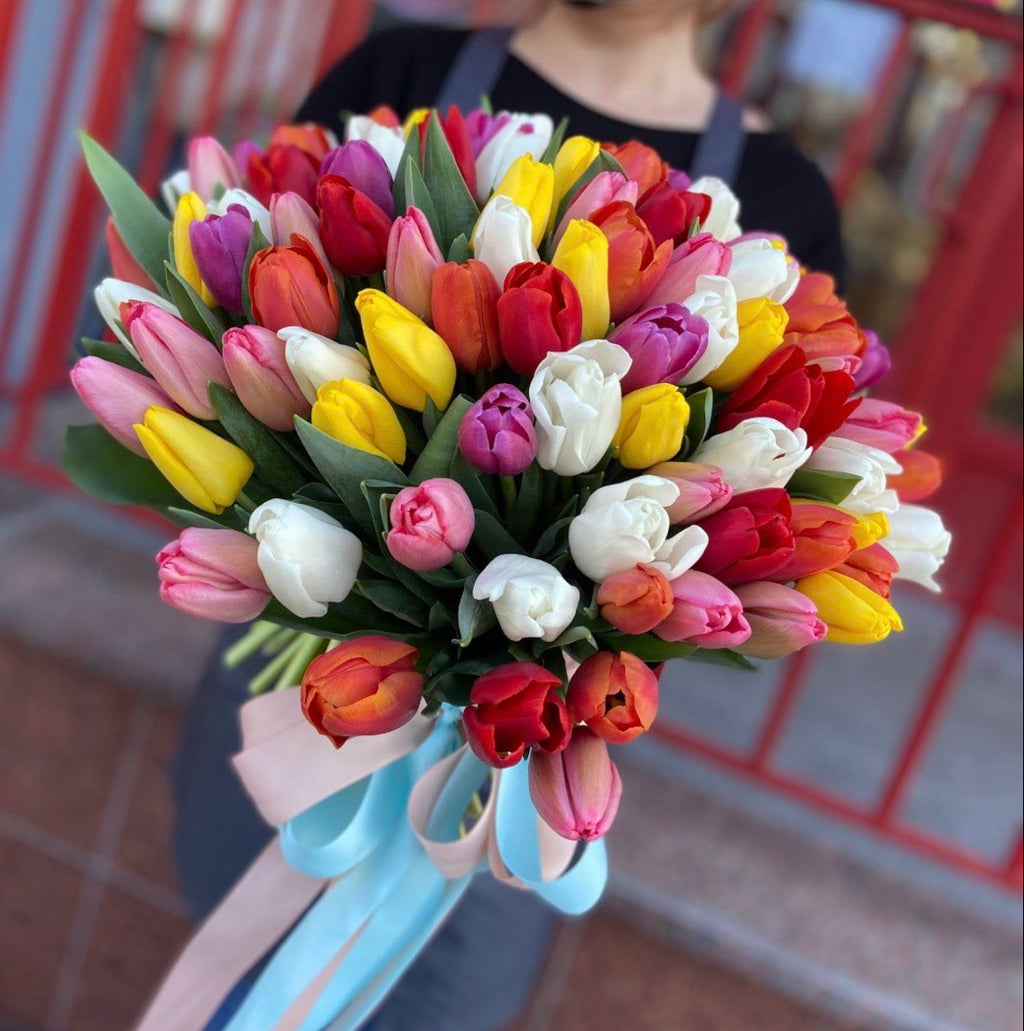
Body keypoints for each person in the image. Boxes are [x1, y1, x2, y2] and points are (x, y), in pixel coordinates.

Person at [173, 3, 847, 1029]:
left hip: (524, 741)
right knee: (230, 952)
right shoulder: (403, 67)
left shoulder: (783, 193)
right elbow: (238, 314)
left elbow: (776, 485)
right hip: (312, 684)